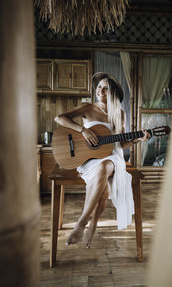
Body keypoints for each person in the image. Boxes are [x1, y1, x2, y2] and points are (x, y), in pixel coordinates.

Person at [54, 72, 150, 248]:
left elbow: (121, 144)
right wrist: (82, 130)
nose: (101, 91)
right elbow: (59, 118)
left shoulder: (120, 114)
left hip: (112, 157)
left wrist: (137, 139)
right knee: (104, 187)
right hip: (88, 158)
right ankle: (91, 224)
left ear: (112, 92)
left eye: (106, 88)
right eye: (99, 87)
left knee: (105, 165)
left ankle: (81, 223)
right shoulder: (87, 108)